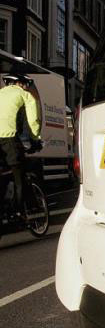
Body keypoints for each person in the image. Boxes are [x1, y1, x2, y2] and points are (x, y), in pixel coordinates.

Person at [0, 74, 42, 219]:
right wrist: (35, 139)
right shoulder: (25, 95)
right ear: (19, 83)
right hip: (9, 138)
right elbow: (33, 120)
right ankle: (19, 212)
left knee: (4, 174)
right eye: (25, 84)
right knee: (19, 175)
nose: (26, 87)